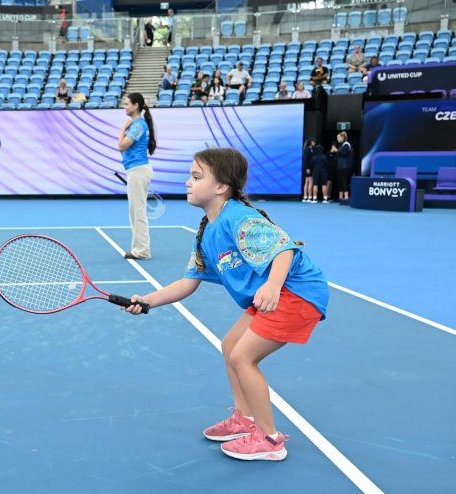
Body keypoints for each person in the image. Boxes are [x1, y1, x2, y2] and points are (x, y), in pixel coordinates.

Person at [123, 148, 328, 462]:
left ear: (221, 187)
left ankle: (270, 440)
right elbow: (188, 282)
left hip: (295, 292)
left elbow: (284, 248)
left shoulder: (239, 217)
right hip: (276, 293)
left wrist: (272, 285)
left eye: (196, 176)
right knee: (230, 344)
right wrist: (147, 301)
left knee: (243, 356)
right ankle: (244, 420)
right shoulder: (206, 231)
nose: (187, 183)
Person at [118, 93, 156, 260]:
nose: (125, 106)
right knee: (135, 211)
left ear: (135, 106)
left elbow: (122, 146)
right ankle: (139, 249)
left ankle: (142, 251)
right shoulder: (137, 124)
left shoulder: (138, 125)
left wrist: (121, 130)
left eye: (127, 103)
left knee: (138, 212)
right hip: (135, 170)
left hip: (138, 170)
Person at [336, 131, 353, 202]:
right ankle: (340, 197)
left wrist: (337, 150)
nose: (337, 139)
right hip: (340, 166)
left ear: (342, 137)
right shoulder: (341, 145)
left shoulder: (346, 144)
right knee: (340, 181)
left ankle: (346, 197)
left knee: (344, 181)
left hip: (345, 166)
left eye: (338, 137)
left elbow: (344, 154)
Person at [302, 138, 315, 202]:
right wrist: (307, 168)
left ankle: (305, 196)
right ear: (310, 142)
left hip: (309, 167)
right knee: (309, 182)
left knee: (307, 182)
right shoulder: (308, 150)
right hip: (308, 168)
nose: (314, 143)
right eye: (313, 142)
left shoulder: (310, 149)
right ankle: (308, 197)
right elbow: (306, 160)